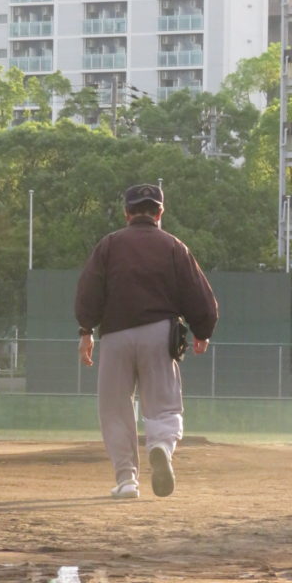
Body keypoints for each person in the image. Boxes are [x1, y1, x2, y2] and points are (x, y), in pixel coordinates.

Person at [74, 183, 218, 499]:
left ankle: (126, 480)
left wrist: (86, 331)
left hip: (115, 335)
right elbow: (199, 294)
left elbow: (89, 290)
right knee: (164, 403)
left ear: (126, 213)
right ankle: (162, 447)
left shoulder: (109, 245)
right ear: (160, 212)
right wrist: (202, 330)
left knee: (115, 408)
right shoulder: (173, 246)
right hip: (159, 333)